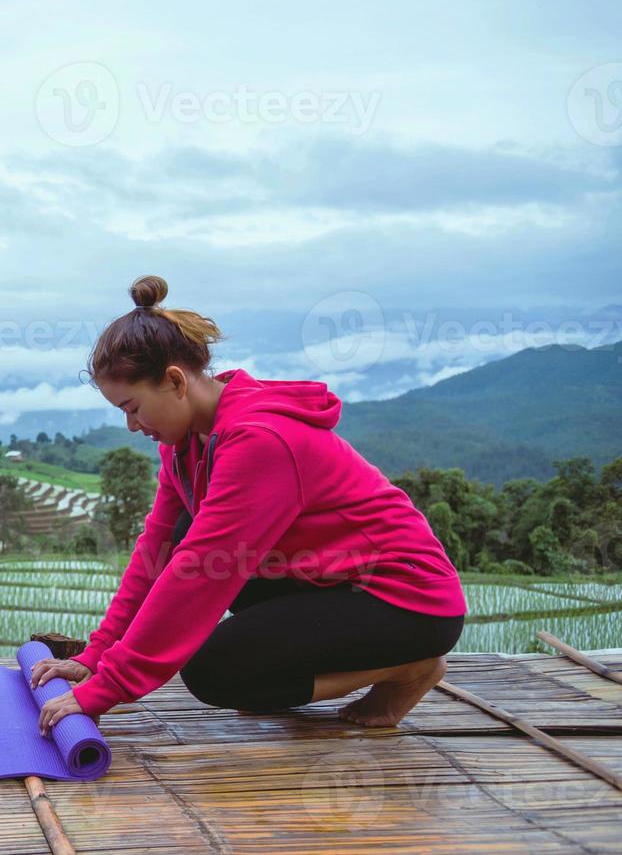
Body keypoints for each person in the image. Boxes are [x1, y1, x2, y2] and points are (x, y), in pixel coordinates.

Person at [30, 275, 466, 732]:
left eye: (133, 407)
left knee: (214, 672)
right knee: (179, 534)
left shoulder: (260, 441)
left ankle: (408, 668)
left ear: (175, 381)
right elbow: (156, 551)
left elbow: (197, 570)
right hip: (325, 579)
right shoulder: (185, 444)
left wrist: (109, 688)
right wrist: (95, 657)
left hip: (407, 601)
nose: (131, 425)